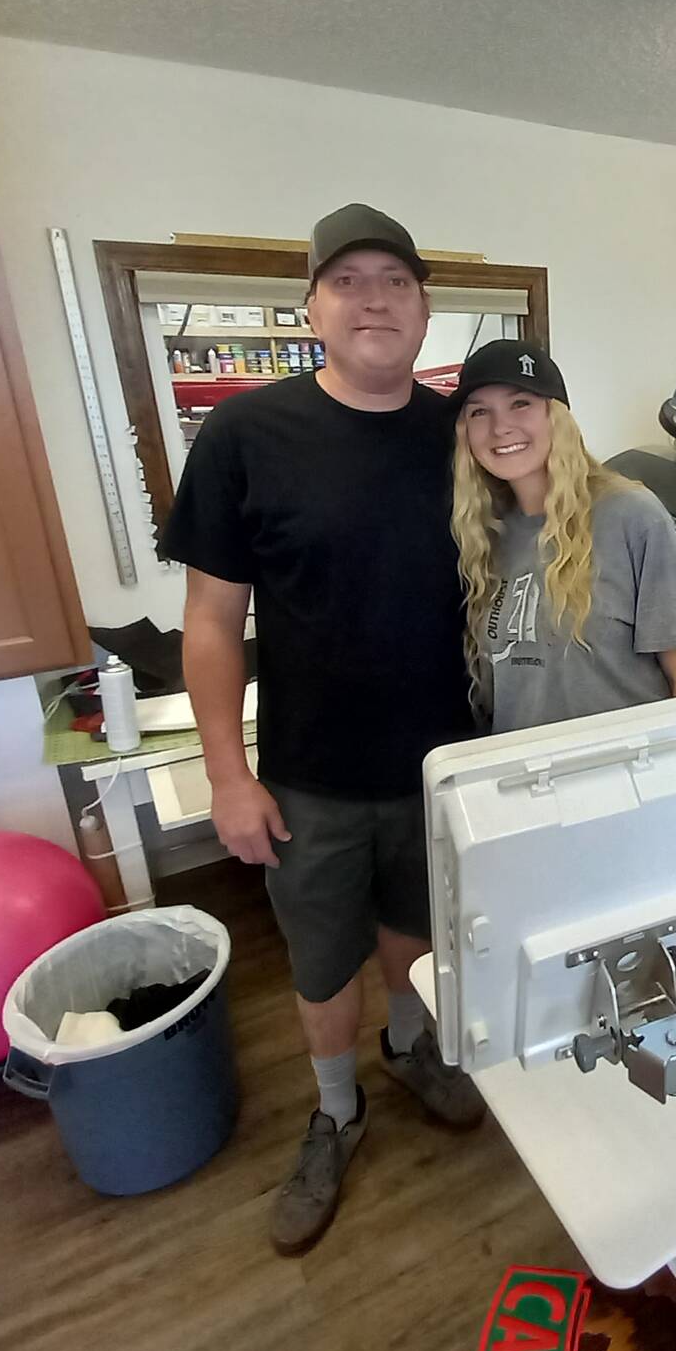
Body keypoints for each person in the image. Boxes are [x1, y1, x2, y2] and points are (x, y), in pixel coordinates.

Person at [161, 203, 483, 1256]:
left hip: (444, 767)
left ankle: (408, 1047)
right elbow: (211, 623)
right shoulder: (247, 435)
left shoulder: (467, 439)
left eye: (394, 278)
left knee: (415, 931)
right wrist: (227, 774)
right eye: (347, 281)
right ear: (311, 307)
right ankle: (336, 1111)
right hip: (308, 776)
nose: (373, 299)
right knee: (319, 960)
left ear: (425, 305)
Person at [449, 340, 676, 731]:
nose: (500, 427)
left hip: (627, 776)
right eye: (479, 412)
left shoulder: (632, 514)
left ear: (556, 416)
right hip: (525, 777)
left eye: (520, 404)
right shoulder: (485, 532)